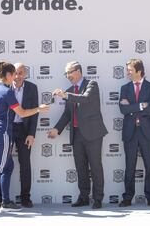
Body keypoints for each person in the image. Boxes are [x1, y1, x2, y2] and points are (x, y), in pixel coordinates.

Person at [0, 61, 49, 215]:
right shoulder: (7, 92)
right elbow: (21, 113)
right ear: (8, 75)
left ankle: (6, 202)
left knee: (8, 166)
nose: (15, 77)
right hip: (3, 133)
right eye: (14, 74)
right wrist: (38, 109)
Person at [47, 61, 107, 209]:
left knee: (95, 167)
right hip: (77, 134)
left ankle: (98, 198)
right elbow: (67, 115)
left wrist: (66, 95)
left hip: (92, 134)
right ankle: (84, 197)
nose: (68, 76)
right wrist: (57, 129)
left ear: (79, 71)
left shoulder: (91, 84)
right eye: (66, 73)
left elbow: (85, 99)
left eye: (70, 72)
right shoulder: (69, 91)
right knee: (80, 168)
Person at [0, 63, 38, 208]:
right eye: (15, 73)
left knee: (25, 164)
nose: (17, 76)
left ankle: (25, 198)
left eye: (21, 73)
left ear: (25, 74)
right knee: (2, 163)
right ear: (11, 74)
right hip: (7, 129)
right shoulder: (4, 88)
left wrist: (31, 134)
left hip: (24, 131)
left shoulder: (32, 88)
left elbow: (34, 114)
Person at [118, 59, 150, 207]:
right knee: (129, 166)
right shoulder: (124, 88)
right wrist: (141, 105)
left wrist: (133, 107)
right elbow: (123, 109)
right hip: (130, 132)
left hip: (147, 132)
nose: (127, 72)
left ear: (138, 71)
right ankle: (128, 197)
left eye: (129, 70)